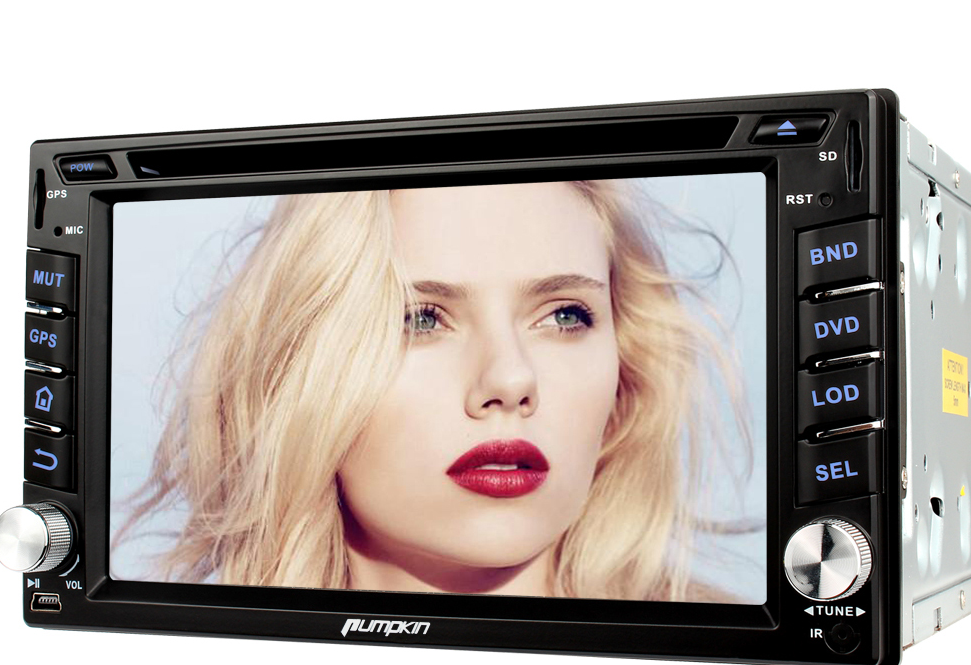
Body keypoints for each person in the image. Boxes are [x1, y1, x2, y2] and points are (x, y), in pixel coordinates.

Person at [117, 178, 749, 600]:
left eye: (564, 315)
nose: (510, 379)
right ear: (301, 368)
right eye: (421, 319)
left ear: (625, 367)